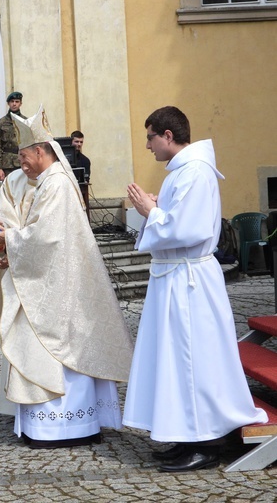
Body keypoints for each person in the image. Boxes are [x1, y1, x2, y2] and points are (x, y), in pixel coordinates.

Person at [123, 106, 268, 472]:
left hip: (188, 282)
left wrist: (150, 212)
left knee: (190, 360)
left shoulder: (196, 172)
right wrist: (157, 208)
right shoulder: (183, 172)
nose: (148, 146)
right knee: (174, 359)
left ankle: (205, 444)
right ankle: (185, 434)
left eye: (151, 137)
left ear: (168, 136)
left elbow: (191, 229)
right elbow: (178, 220)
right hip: (174, 277)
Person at [0, 105, 134, 449]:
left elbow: (48, 237)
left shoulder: (59, 185)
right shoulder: (19, 179)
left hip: (61, 287)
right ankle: (39, 426)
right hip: (29, 278)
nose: (19, 162)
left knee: (64, 348)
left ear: (41, 151)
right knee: (33, 347)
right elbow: (3, 214)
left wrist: (10, 241)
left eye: (23, 155)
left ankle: (69, 427)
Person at [0, 91, 26, 181]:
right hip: (7, 164)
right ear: (8, 103)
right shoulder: (0, 123)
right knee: (9, 191)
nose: (14, 104)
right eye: (12, 102)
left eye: (17, 101)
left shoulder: (26, 122)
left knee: (25, 191)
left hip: (24, 161)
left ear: (21, 104)